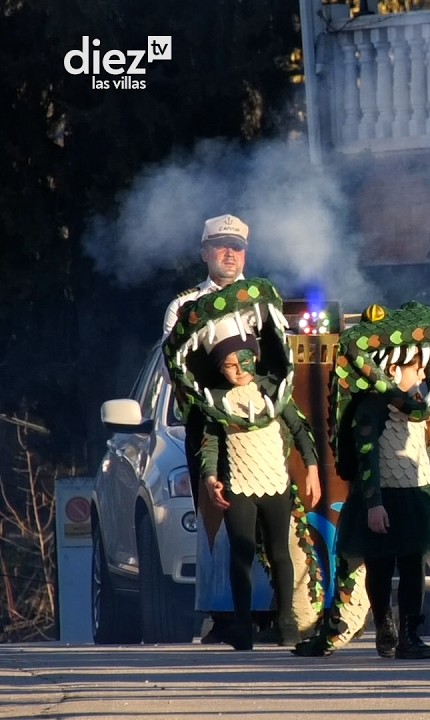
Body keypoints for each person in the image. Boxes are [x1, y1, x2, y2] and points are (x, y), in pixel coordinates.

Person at [173, 280, 321, 651]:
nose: (237, 369)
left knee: (280, 551)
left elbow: (300, 430)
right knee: (240, 551)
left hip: (275, 481)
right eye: (228, 364)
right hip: (238, 484)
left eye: (242, 361)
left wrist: (313, 468)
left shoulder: (274, 391)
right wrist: (209, 478)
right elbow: (209, 443)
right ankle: (241, 624)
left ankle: (287, 619)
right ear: (219, 368)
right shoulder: (215, 401)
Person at [329, 303, 430, 659]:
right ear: (390, 368)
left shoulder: (418, 403)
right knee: (381, 566)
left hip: (415, 496)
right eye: (414, 368)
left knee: (414, 567)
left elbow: (426, 446)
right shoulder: (370, 406)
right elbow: (367, 456)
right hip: (382, 496)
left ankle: (410, 634)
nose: (420, 376)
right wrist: (373, 504)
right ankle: (384, 623)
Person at [163, 214, 249, 644]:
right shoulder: (184, 306)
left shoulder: (262, 302)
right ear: (204, 253)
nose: (229, 253)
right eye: (220, 245)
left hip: (259, 425)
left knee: (260, 516)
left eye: (236, 246)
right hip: (207, 420)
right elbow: (176, 366)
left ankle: (266, 607)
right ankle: (222, 612)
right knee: (215, 513)